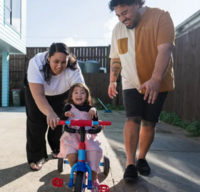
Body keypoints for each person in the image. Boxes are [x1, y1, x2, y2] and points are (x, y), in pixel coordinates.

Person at [108, 0, 175, 182]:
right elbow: (116, 57)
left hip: (157, 82)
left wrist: (155, 79)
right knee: (132, 118)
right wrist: (112, 80)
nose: (122, 18)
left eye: (125, 13)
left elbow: (165, 49)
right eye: (118, 15)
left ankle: (141, 158)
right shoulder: (118, 29)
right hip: (130, 82)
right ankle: (130, 163)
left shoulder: (161, 17)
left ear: (137, 4)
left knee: (149, 122)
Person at [24, 42, 86, 171]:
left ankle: (57, 149)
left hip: (61, 92)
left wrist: (89, 113)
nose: (59, 66)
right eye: (56, 61)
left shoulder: (73, 68)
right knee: (36, 123)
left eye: (63, 62)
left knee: (59, 121)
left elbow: (81, 94)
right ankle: (37, 157)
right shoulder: (36, 63)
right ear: (48, 57)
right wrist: (49, 112)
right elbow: (39, 95)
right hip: (37, 92)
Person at [58, 83, 101, 191]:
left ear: (87, 96)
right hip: (71, 136)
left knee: (94, 152)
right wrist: (65, 115)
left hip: (87, 136)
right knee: (72, 155)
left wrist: (94, 113)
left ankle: (94, 178)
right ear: (71, 96)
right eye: (76, 92)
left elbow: (96, 122)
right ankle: (77, 174)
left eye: (82, 92)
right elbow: (61, 117)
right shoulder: (68, 107)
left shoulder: (90, 108)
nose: (79, 95)